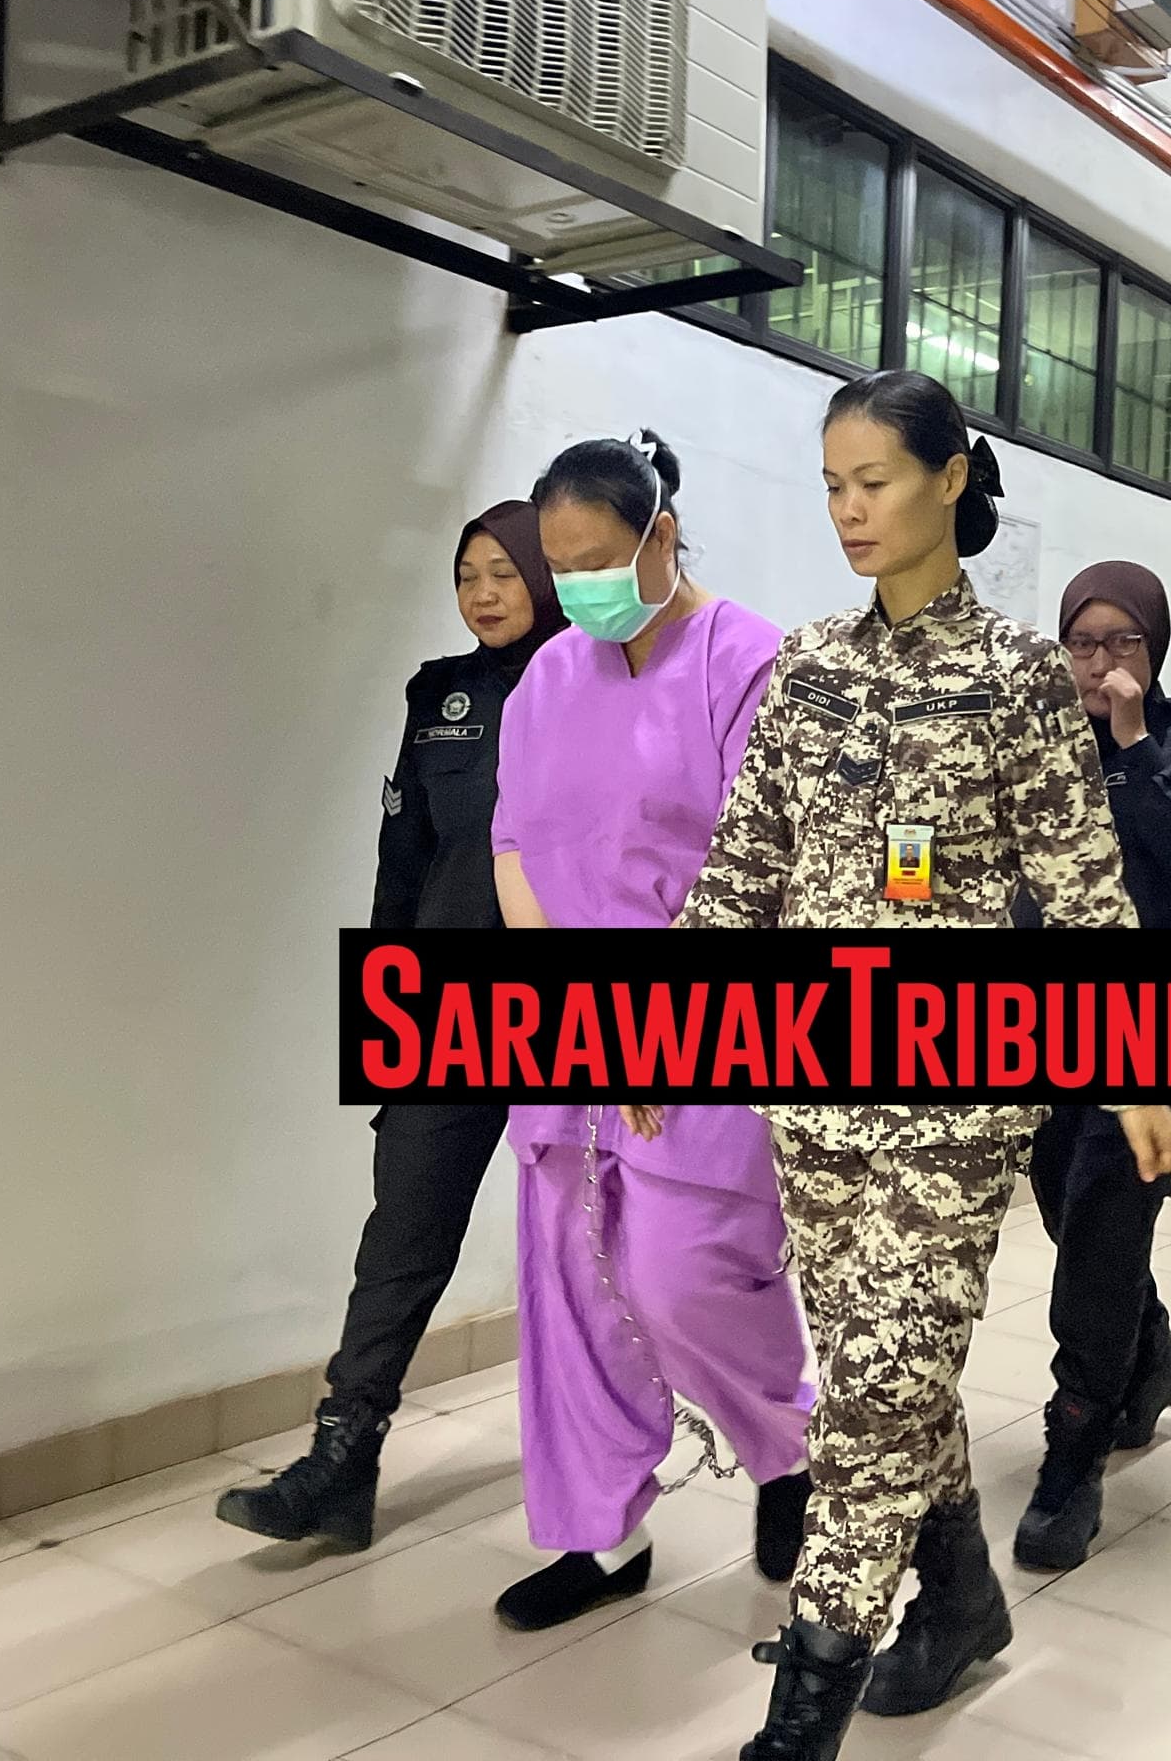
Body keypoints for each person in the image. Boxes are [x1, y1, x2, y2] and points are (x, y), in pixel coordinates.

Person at [673, 369, 1171, 1761]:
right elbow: (745, 861)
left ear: (950, 478)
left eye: (875, 481)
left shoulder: (1019, 675)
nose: (849, 509)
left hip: (957, 1090)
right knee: (877, 1362)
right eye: (833, 486)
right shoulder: (811, 664)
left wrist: (1137, 1061)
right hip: (811, 1085)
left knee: (879, 1387)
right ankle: (957, 1599)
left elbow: (1081, 883)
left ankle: (805, 1707)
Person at [486, 430, 815, 1631]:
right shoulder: (547, 678)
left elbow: (767, 869)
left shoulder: (748, 662)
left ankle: (786, 1447)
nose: (578, 586)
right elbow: (513, 842)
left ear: (661, 536)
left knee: (682, 1275)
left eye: (597, 560)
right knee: (573, 1285)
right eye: (561, 566)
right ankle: (602, 1535)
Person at [215, 502, 566, 1549]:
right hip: (449, 1006)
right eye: (467, 574)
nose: (484, 593)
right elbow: (401, 861)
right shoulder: (438, 695)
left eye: (504, 571)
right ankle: (343, 1455)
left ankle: (625, 1466)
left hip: (574, 1009)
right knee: (403, 1233)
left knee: (591, 1246)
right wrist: (386, 1022)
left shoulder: (596, 681)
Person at [1008, 560, 1171, 1572]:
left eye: (1122, 643)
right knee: (1067, 1204)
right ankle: (1149, 1357)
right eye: (1083, 643)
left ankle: (1075, 1450)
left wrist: (1137, 742)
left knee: (1104, 1219)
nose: (1101, 663)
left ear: (1154, 647)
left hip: (1155, 1010)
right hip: (1035, 1013)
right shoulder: (1033, 742)